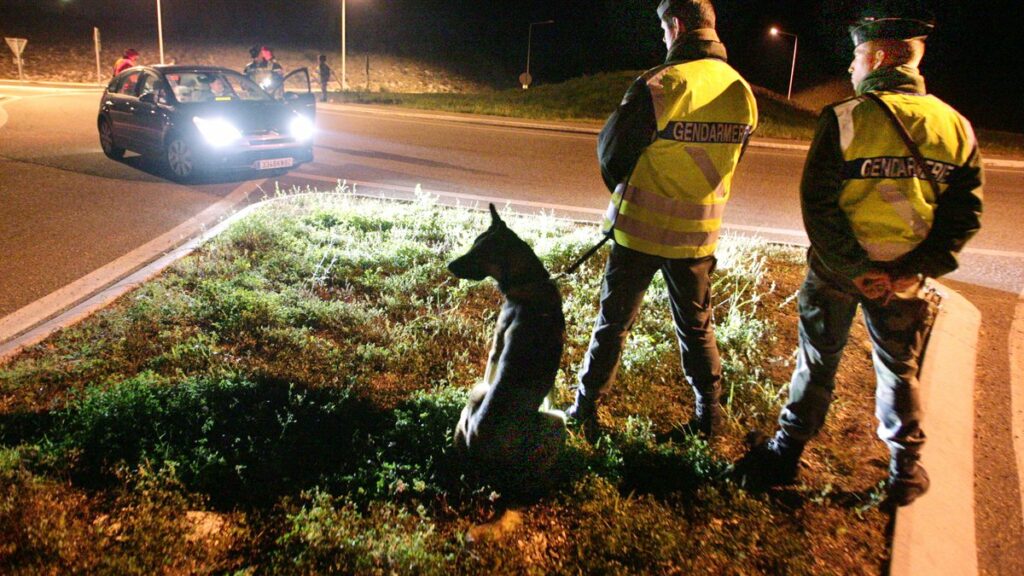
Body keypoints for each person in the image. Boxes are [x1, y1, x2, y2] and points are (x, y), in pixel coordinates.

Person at [733, 3, 984, 507]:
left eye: (858, 56)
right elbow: (964, 216)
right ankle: (905, 472)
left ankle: (785, 453)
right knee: (899, 369)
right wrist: (909, 269)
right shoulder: (956, 127)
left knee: (817, 361)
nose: (852, 67)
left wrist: (857, 268)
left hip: (837, 272)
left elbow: (819, 206)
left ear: (883, 56)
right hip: (905, 278)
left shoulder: (846, 120)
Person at [565, 0, 757, 442]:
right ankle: (708, 416)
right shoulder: (742, 90)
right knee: (697, 325)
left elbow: (612, 152)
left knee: (613, 323)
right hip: (697, 239)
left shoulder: (664, 83)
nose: (663, 39)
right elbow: (732, 159)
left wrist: (630, 190)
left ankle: (585, 408)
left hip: (641, 233)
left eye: (664, 31)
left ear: (676, 26)